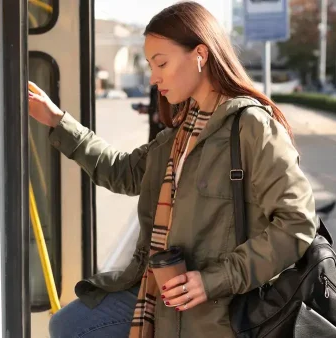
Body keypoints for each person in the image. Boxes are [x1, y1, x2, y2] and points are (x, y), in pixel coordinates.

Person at [27, 2, 318, 338]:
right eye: (151, 65)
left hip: (220, 309)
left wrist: (214, 281)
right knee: (71, 324)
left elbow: (297, 223)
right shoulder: (179, 135)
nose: (153, 77)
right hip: (164, 297)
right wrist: (57, 122)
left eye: (161, 63)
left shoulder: (252, 126)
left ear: (200, 54)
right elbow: (122, 172)